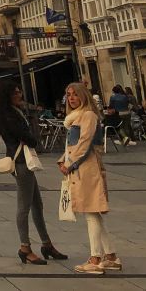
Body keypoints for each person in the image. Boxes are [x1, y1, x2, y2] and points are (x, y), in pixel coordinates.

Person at [0, 80, 65, 265]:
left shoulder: (11, 112)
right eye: (16, 93)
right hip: (21, 163)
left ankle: (46, 244)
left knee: (37, 204)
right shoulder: (8, 115)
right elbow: (25, 136)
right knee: (24, 206)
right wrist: (31, 138)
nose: (20, 95)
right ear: (8, 96)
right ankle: (25, 247)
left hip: (23, 161)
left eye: (19, 92)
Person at [59, 81, 120, 274]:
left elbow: (85, 143)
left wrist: (69, 164)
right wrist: (63, 160)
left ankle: (95, 259)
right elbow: (72, 144)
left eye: (75, 94)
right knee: (93, 212)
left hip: (86, 168)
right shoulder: (75, 117)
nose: (72, 98)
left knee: (91, 212)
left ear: (83, 96)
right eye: (69, 95)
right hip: (78, 167)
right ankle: (110, 256)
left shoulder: (88, 115)